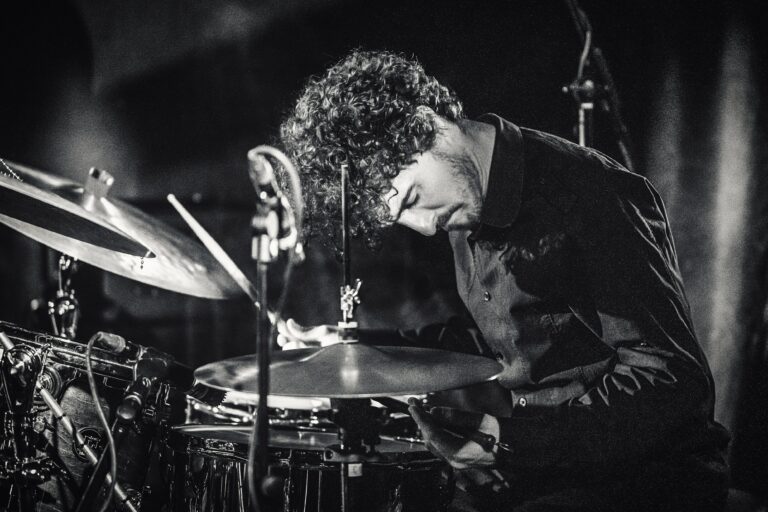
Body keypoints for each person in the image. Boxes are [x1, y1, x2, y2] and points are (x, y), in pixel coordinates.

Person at [277, 49, 730, 511]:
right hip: (548, 466)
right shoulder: (463, 206)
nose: (425, 227)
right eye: (401, 220)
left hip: (645, 480)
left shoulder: (588, 193)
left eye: (412, 197)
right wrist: (357, 348)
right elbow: (504, 340)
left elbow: (675, 382)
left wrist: (506, 441)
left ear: (428, 123)